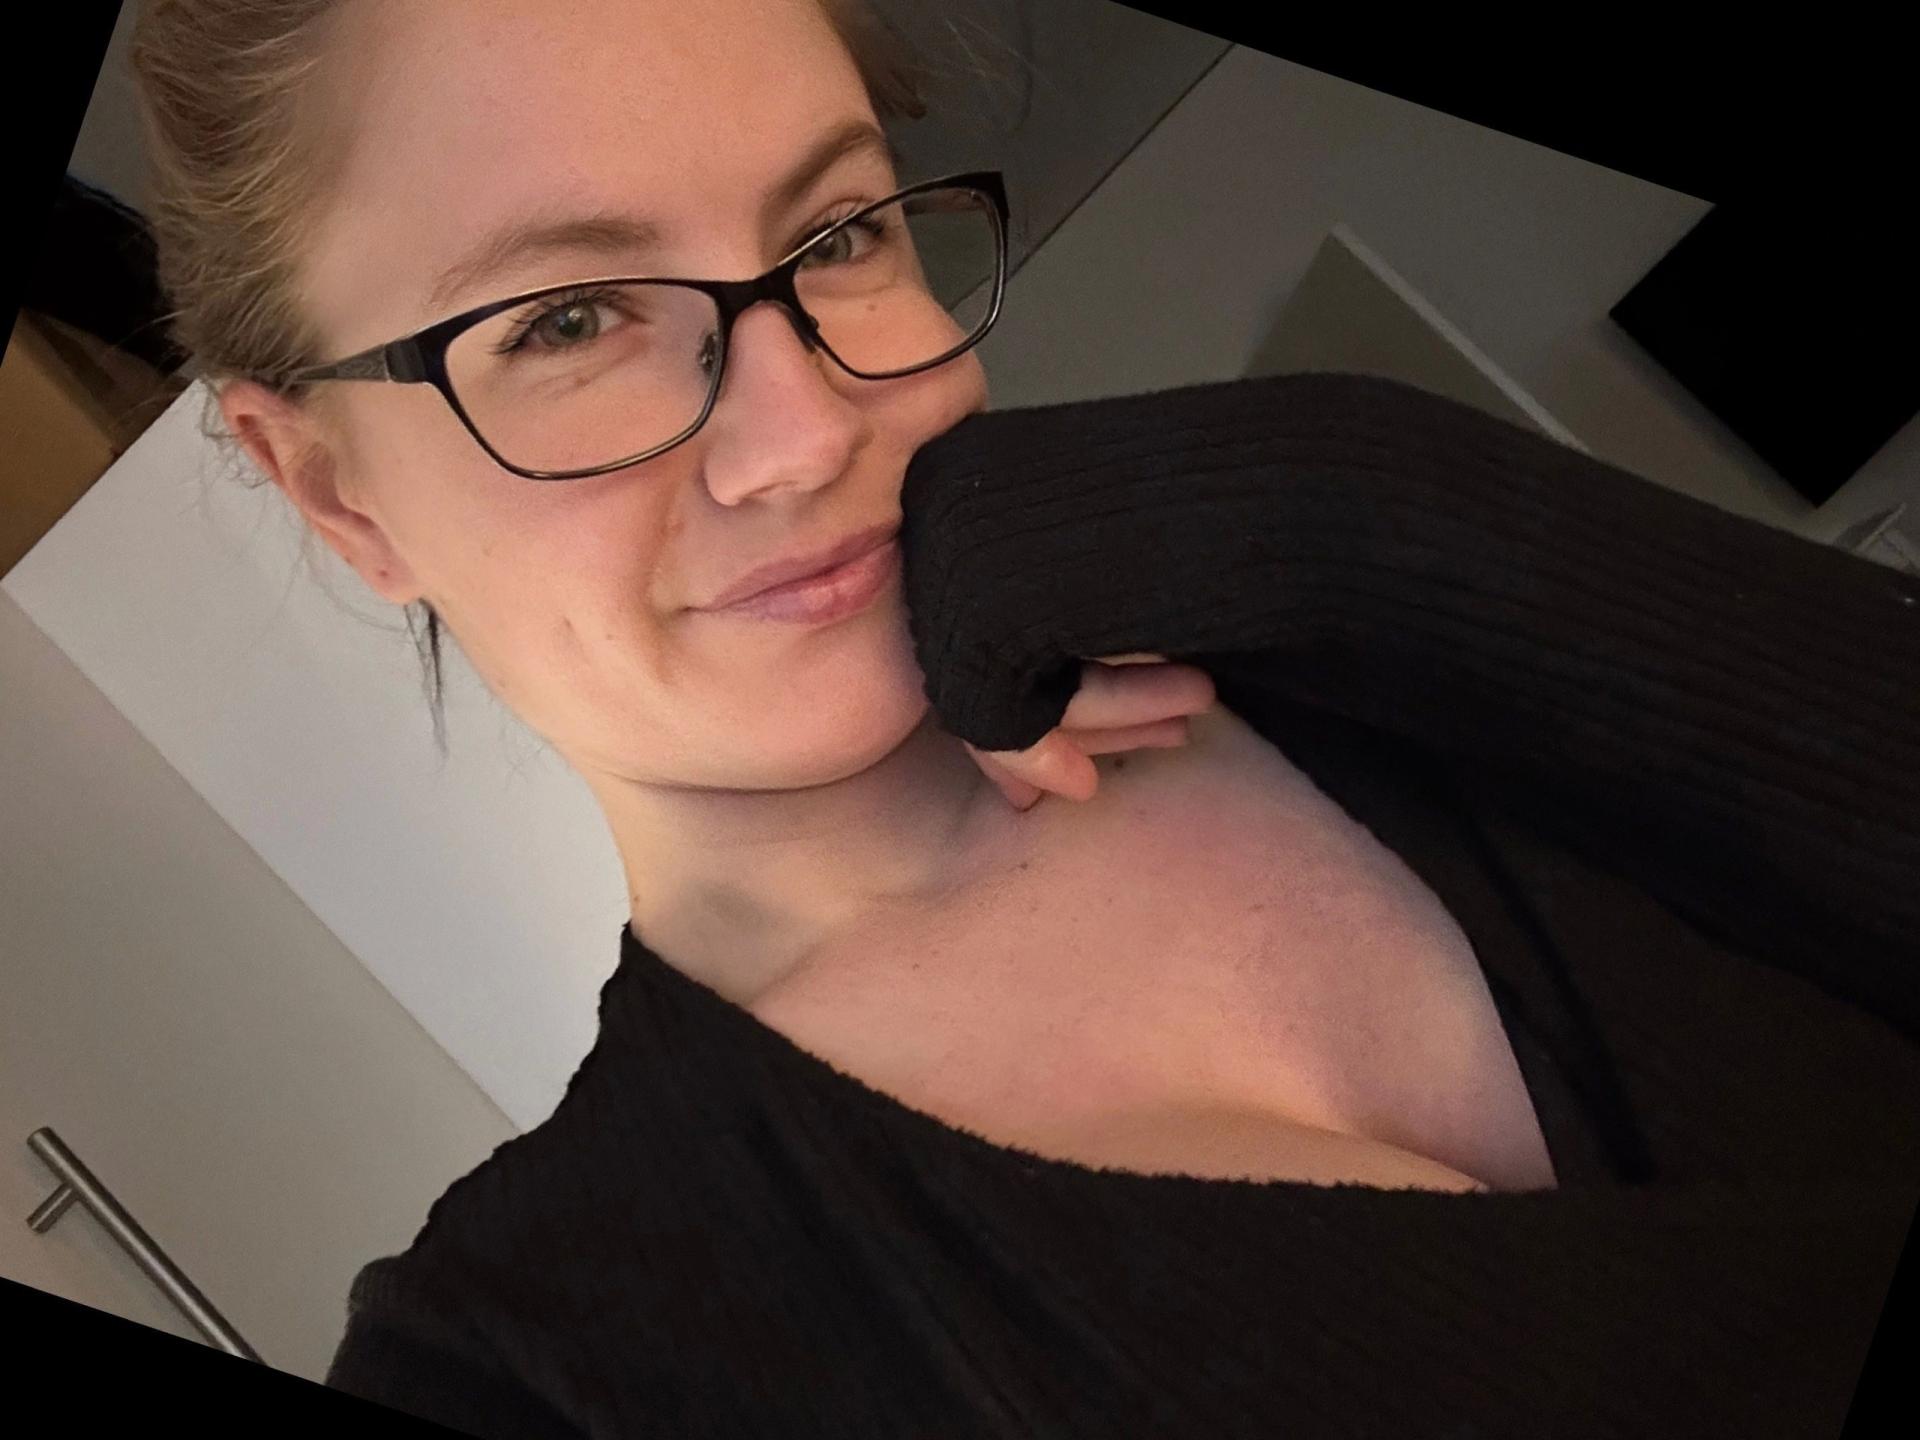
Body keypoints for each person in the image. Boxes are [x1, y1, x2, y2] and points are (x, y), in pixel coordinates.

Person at [130, 1, 1920, 1435]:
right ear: (333, 492)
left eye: (839, 232)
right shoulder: (536, 1359)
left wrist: (1349, 495)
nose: (805, 432)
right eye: (572, 318)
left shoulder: (1386, 645)